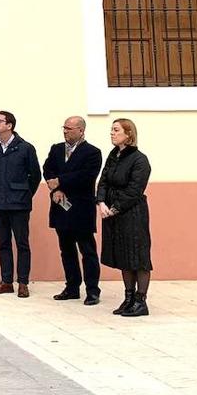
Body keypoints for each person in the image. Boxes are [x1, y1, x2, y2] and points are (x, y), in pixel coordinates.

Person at [42, 116, 104, 305]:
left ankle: (92, 290)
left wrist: (61, 181)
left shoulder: (93, 152)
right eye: (64, 128)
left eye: (69, 128)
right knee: (66, 249)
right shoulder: (56, 149)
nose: (65, 131)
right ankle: (72, 287)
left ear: (81, 131)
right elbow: (48, 169)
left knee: (87, 250)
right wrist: (56, 188)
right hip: (61, 204)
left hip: (81, 208)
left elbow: (86, 176)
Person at [98, 118, 154, 317]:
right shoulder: (113, 156)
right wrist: (101, 202)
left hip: (132, 214)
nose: (112, 133)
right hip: (113, 213)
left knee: (137, 257)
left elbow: (135, 190)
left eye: (116, 130)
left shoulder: (139, 159)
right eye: (111, 130)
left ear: (128, 134)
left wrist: (115, 208)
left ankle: (141, 301)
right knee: (123, 256)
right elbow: (103, 180)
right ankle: (128, 298)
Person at [0, 110, 40, 298]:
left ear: (9, 125)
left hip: (19, 204)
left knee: (22, 243)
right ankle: (6, 281)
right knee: (3, 243)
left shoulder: (25, 148)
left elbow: (35, 175)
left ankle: (23, 282)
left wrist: (24, 194)